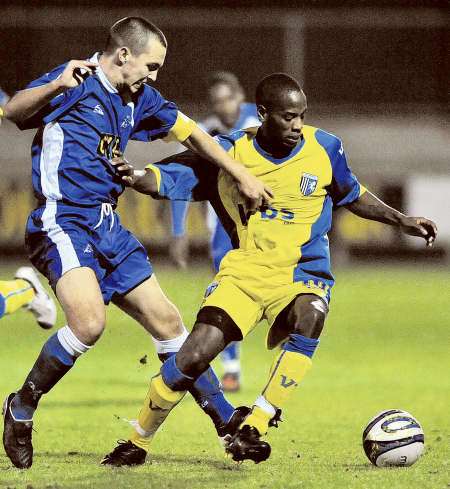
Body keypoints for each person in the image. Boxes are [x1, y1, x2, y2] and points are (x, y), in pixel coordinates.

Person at [101, 73, 437, 466]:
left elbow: (352, 193)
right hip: (244, 274)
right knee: (192, 357)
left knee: (310, 313)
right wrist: (134, 175)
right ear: (263, 114)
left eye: (302, 116)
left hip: (301, 275)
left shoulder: (325, 147)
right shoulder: (229, 153)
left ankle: (255, 423)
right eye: (288, 117)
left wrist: (401, 220)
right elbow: (167, 176)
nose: (297, 125)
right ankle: (136, 441)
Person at [1, 16, 272, 470]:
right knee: (88, 324)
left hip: (108, 226)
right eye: (152, 64)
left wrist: (240, 173)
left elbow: (192, 133)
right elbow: (13, 112)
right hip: (62, 220)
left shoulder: (139, 96)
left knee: (169, 324)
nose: (155, 75)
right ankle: (21, 407)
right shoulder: (75, 79)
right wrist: (54, 86)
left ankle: (227, 425)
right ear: (123, 55)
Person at [171, 72, 260, 391]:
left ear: (240, 96)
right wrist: (178, 233)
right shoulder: (206, 132)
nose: (223, 107)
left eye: (228, 99)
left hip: (266, 219)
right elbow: (184, 179)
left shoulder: (262, 121)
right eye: (217, 102)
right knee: (226, 290)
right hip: (224, 224)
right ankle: (231, 367)